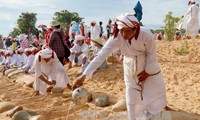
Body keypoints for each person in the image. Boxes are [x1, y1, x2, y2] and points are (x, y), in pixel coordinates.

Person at [73, 13, 166, 120]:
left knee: (154, 94)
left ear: (134, 29)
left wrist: (147, 72)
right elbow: (100, 56)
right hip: (129, 67)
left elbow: (152, 55)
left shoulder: (146, 35)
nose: (124, 34)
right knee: (132, 98)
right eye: (122, 30)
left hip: (147, 65)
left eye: (127, 31)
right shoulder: (116, 39)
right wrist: (84, 75)